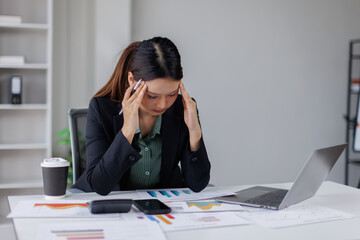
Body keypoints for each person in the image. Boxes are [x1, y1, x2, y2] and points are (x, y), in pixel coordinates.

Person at [74, 37, 211, 195]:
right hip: (113, 206)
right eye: (152, 96)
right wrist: (127, 132)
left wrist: (195, 133)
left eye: (172, 94)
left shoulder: (184, 109)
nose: (162, 104)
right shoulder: (101, 108)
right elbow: (99, 185)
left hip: (160, 207)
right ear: (132, 80)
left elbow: (197, 184)